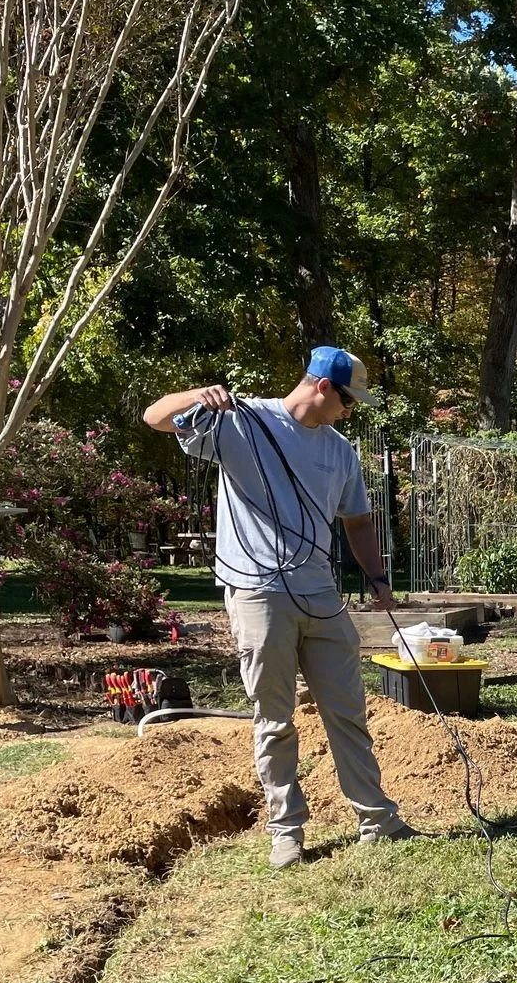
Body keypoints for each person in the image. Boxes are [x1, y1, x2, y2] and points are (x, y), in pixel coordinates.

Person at [144, 346, 418, 868]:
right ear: (322, 387)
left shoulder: (341, 451)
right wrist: (198, 395)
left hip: (321, 594)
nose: (350, 410)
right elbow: (155, 416)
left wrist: (377, 576)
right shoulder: (240, 421)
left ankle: (378, 821)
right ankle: (286, 831)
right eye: (348, 400)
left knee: (348, 712)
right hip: (257, 593)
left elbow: (357, 521)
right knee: (274, 717)